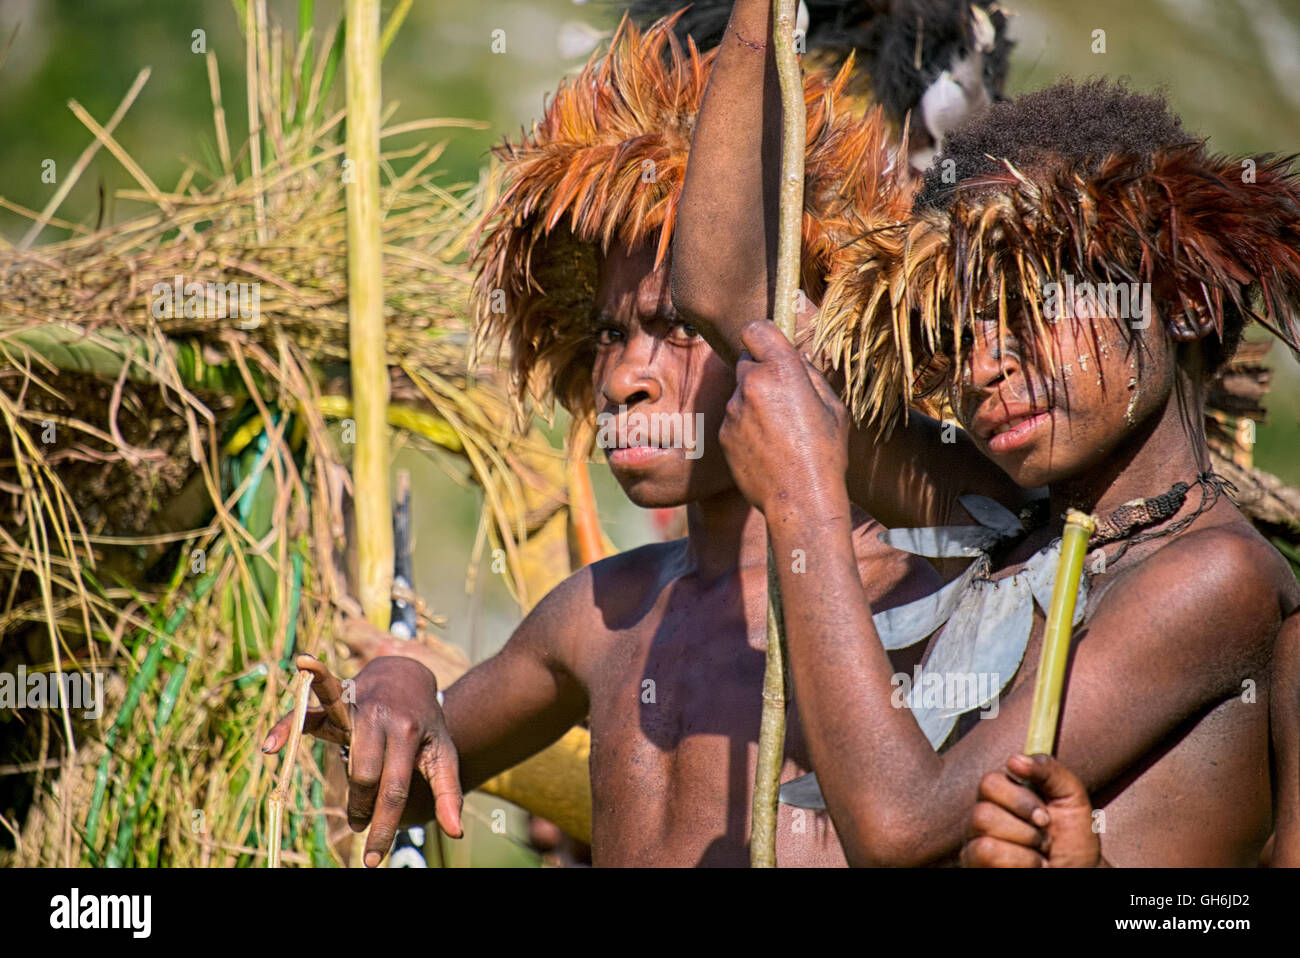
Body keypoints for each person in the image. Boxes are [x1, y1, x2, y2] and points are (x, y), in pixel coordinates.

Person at [263, 17, 936, 867]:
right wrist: (401, 687)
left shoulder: (908, 605)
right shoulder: (597, 615)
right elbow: (435, 745)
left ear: (800, 331)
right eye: (612, 336)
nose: (625, 378)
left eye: (676, 327)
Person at [671, 0, 1300, 865]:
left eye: (1033, 305)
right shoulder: (1004, 514)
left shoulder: (1211, 575)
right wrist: (755, 18)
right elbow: (726, 297)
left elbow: (902, 826)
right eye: (957, 331)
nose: (983, 367)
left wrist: (803, 499)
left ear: (1183, 300)